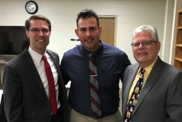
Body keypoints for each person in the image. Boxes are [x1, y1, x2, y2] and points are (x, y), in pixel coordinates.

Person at [60, 9, 131, 122]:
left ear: (100, 29)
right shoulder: (69, 58)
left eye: (92, 28)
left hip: (111, 118)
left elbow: (131, 86)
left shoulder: (118, 57)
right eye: (83, 30)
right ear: (77, 32)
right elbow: (59, 87)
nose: (88, 34)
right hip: (79, 117)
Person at [3, 15, 68, 122]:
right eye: (35, 30)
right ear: (27, 33)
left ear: (49, 33)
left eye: (45, 30)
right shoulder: (13, 68)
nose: (41, 34)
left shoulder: (55, 57)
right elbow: (12, 110)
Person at [121, 25, 182, 122]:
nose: (141, 47)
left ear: (157, 46)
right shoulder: (128, 71)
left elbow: (176, 118)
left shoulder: (174, 77)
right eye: (136, 44)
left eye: (146, 43)